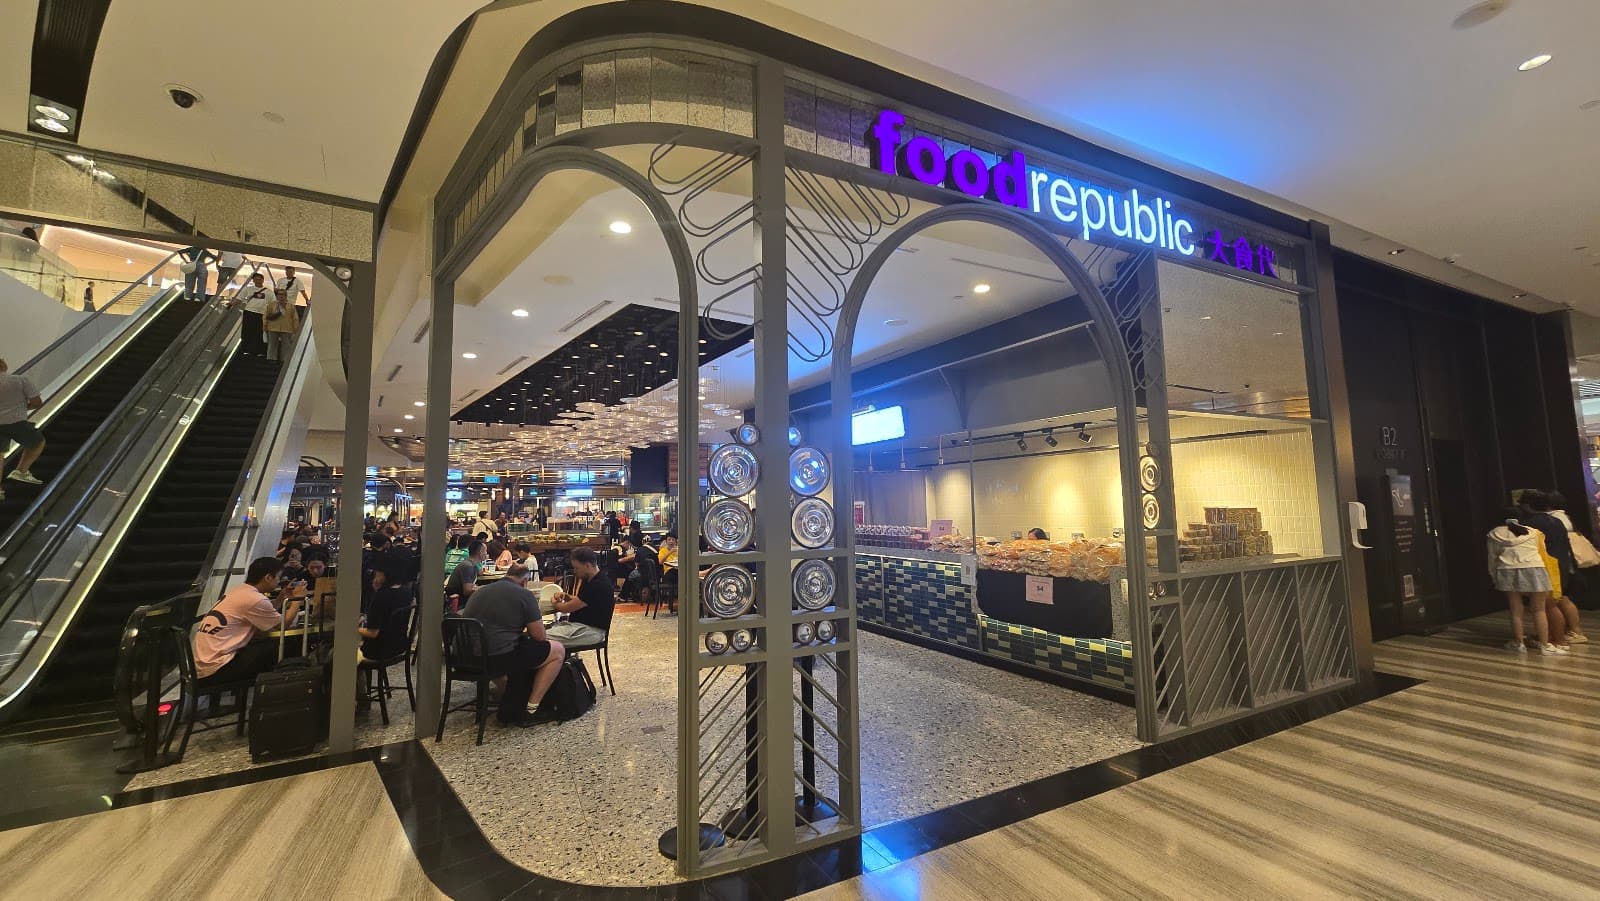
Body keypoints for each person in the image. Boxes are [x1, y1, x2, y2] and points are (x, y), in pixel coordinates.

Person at [461, 564, 564, 726]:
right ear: (525, 581)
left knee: (515, 647)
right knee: (557, 650)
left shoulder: (479, 592)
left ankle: (510, 697)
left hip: (468, 657)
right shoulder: (524, 595)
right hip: (498, 658)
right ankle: (531, 708)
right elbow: (539, 636)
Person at [194, 556, 305, 682]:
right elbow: (284, 624)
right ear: (268, 577)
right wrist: (298, 599)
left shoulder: (239, 591)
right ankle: (282, 689)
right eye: (278, 577)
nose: (278, 582)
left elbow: (261, 613)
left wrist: (281, 598)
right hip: (218, 668)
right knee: (288, 644)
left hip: (203, 665)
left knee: (266, 643)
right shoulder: (255, 599)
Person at [1487, 509, 1565, 656]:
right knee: (1539, 609)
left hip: (1507, 569)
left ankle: (1519, 643)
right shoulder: (1533, 532)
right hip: (1535, 568)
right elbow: (1541, 551)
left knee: (1516, 609)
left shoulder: (1494, 533)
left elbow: (1492, 558)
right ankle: (1545, 645)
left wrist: (1493, 575)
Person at [1543, 492, 1589, 644]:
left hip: (1561, 564)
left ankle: (1572, 632)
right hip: (1568, 563)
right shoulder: (1565, 517)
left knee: (1560, 599)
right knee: (1564, 598)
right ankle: (1573, 630)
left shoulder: (1553, 519)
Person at [549, 547, 614, 647]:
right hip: (580, 626)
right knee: (543, 634)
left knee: (542, 638)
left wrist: (554, 602)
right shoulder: (589, 578)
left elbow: (566, 609)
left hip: (592, 631)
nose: (574, 571)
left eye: (576, 568)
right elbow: (582, 601)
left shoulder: (599, 585)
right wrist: (566, 596)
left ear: (587, 565)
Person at [0, 358, 46, 498]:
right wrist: (24, 407)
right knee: (37, 442)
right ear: (4, 366)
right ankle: (21, 471)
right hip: (16, 421)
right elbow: (37, 403)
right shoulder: (20, 380)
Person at [360, 565, 412, 664]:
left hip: (378, 651)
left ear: (385, 577)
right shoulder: (407, 592)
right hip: (399, 645)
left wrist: (353, 629)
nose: (374, 578)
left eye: (377, 575)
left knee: (339, 649)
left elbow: (372, 633)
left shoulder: (381, 596)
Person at [232, 271, 273, 356]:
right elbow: (239, 299)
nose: (257, 281)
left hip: (261, 313)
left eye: (259, 279)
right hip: (249, 312)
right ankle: (245, 349)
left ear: (263, 280)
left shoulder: (269, 292)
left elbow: (273, 303)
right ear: (253, 280)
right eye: (255, 279)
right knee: (247, 331)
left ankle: (258, 351)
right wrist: (231, 304)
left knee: (259, 332)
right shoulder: (248, 289)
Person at [263, 277, 301, 362]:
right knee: (272, 344)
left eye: (283, 295)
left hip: (287, 328)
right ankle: (271, 359)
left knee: (286, 346)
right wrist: (265, 326)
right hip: (273, 327)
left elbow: (295, 318)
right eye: (279, 295)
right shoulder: (271, 305)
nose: (281, 296)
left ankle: (284, 360)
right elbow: (266, 316)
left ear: (286, 296)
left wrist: (295, 329)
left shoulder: (290, 306)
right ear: (276, 296)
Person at [446, 539, 488, 608]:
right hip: (460, 604)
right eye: (485, 551)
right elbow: (467, 591)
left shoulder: (470, 564)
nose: (486, 553)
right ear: (480, 552)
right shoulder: (468, 566)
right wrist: (485, 588)